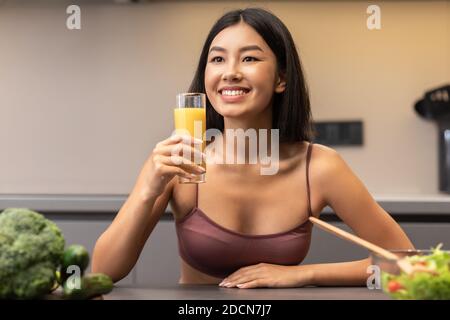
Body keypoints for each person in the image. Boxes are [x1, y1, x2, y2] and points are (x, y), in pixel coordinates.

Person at [92, 8, 414, 288]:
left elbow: (407, 263)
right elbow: (103, 272)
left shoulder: (320, 167)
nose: (230, 72)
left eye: (249, 58)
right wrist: (148, 189)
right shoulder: (180, 161)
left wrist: (302, 275)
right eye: (217, 59)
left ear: (281, 79)